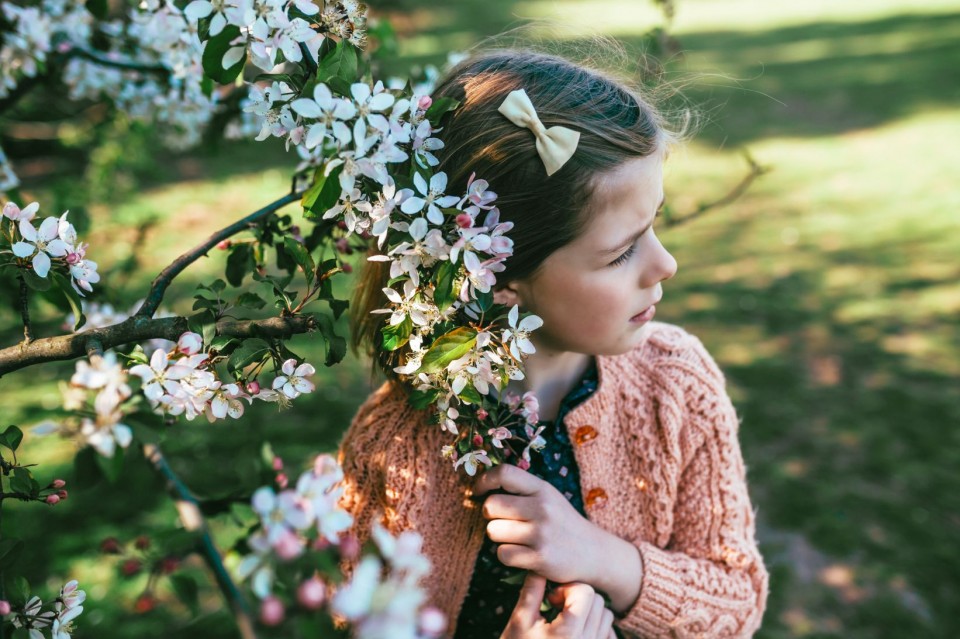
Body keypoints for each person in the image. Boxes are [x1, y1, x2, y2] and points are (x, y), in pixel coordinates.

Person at [337, 47, 769, 639]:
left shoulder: (678, 385)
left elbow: (737, 604)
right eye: (620, 252)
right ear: (502, 278)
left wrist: (602, 557)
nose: (665, 264)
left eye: (656, 224)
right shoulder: (394, 450)